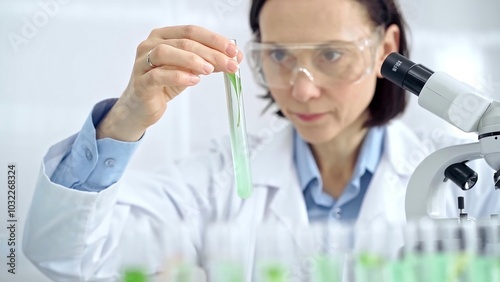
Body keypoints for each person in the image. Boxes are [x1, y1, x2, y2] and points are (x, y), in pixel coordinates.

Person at [23, 0, 499, 281]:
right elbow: (66, 256)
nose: (302, 87)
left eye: (331, 54)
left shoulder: (469, 179)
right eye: (278, 56)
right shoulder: (216, 182)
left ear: (386, 49)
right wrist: (127, 116)